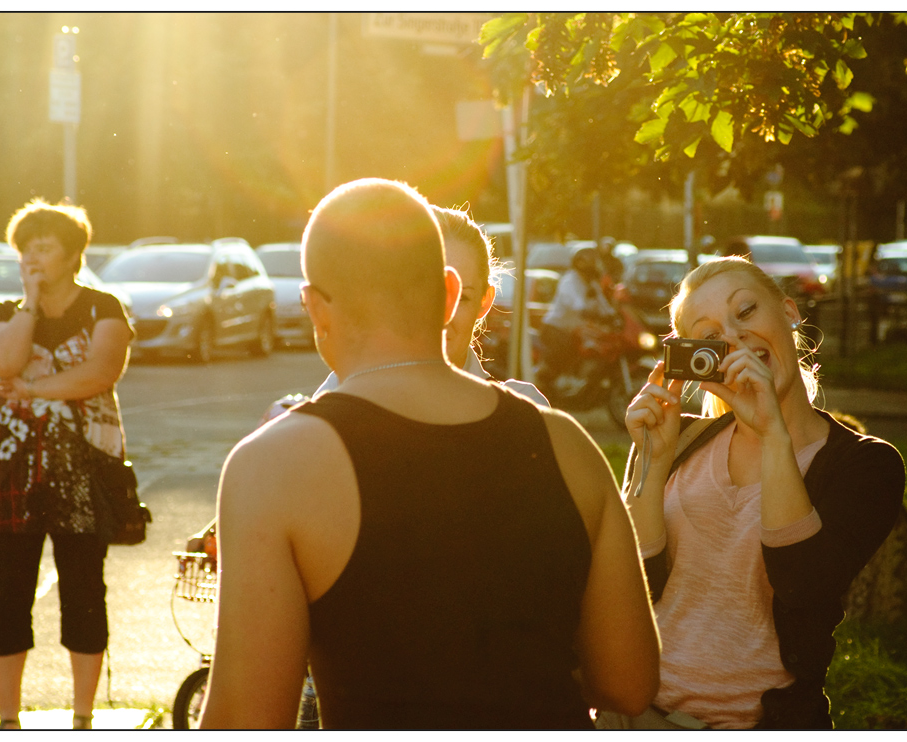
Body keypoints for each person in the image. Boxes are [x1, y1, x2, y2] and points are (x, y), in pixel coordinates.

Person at [198, 178, 660, 729]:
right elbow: (629, 684)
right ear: (447, 292)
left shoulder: (273, 466)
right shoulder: (565, 444)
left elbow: (247, 721)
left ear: (314, 307)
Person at [621, 256, 905, 729]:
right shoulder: (677, 440)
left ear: (790, 312)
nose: (732, 337)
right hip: (634, 718)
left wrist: (774, 436)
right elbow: (633, 590)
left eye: (746, 311)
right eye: (710, 336)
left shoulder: (865, 465)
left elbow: (803, 584)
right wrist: (652, 462)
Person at [0, 199, 134, 730]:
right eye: (26, 249)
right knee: (8, 592)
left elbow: (100, 372)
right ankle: (9, 719)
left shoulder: (103, 307)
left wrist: (33, 390)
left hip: (87, 469)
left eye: (44, 248)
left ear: (72, 256)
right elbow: (3, 362)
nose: (33, 258)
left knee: (85, 589)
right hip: (14, 467)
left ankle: (84, 717)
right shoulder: (7, 314)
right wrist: (29, 303)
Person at [307, 205, 548, 407]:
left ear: (484, 302)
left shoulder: (523, 410)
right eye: (424, 295)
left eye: (461, 298)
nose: (440, 316)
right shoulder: (340, 397)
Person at [538, 243, 616, 389]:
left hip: (574, 330)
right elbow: (577, 305)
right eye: (587, 260)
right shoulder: (569, 281)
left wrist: (613, 315)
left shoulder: (591, 284)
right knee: (569, 348)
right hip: (555, 328)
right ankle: (553, 381)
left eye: (594, 260)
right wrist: (594, 314)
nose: (592, 264)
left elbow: (604, 305)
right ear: (578, 262)